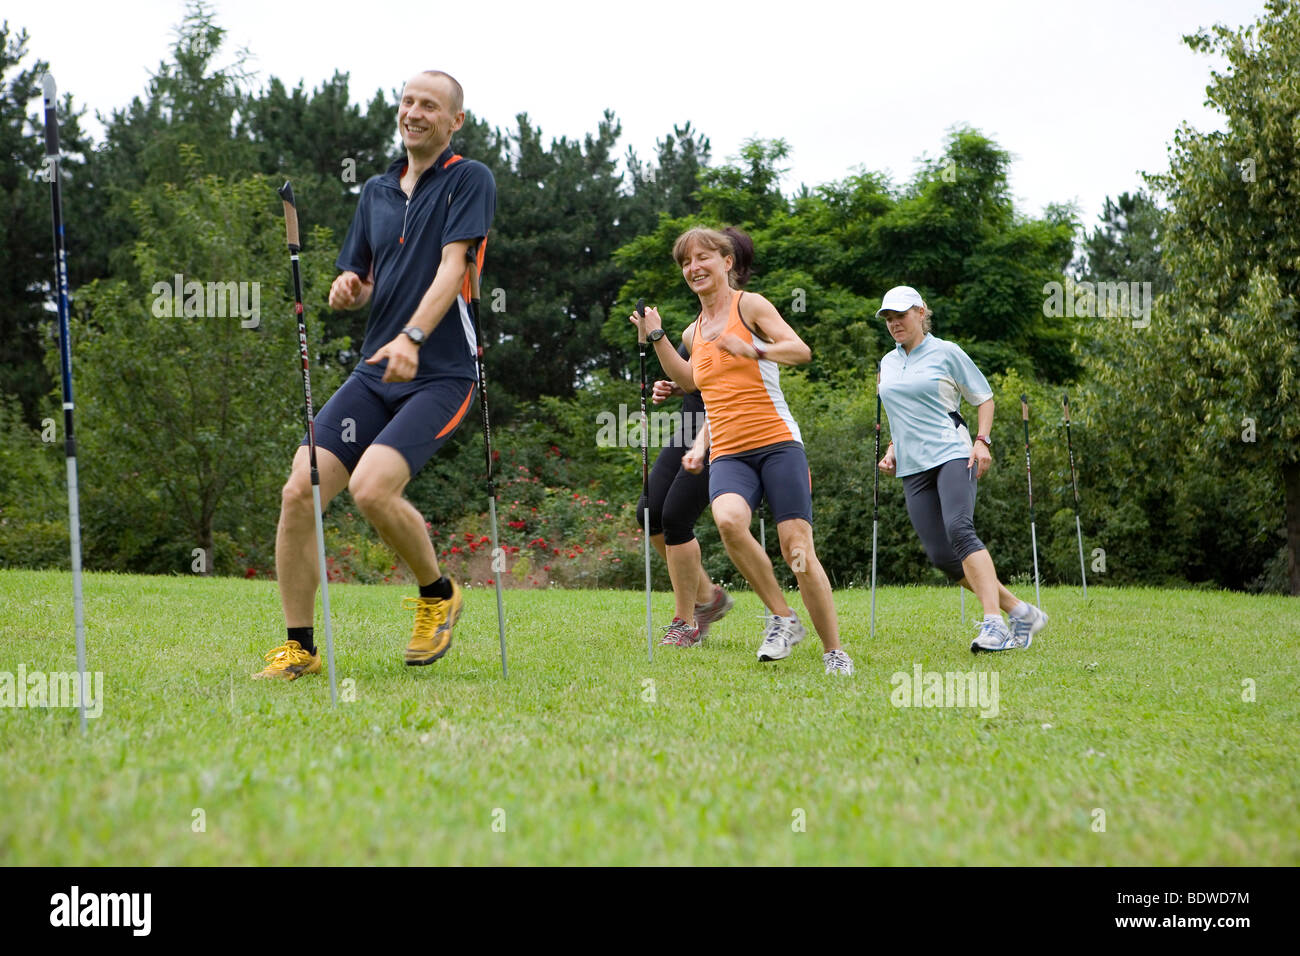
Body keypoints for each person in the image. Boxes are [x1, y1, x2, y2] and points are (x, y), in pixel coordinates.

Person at [254, 70, 495, 679]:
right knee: (297, 493)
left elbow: (451, 268)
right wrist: (349, 288)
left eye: (430, 106)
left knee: (371, 489)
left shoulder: (469, 179)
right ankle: (300, 648)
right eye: (408, 101)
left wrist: (413, 336)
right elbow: (362, 281)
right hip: (374, 371)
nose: (414, 112)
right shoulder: (376, 192)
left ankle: (437, 594)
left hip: (441, 373)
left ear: (454, 121)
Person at [632, 227, 854, 675]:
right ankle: (782, 617)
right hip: (729, 452)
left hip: (777, 444)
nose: (694, 268)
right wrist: (657, 337)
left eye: (703, 258)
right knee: (729, 521)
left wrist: (754, 348)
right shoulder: (693, 332)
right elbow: (693, 381)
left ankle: (834, 651)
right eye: (686, 263)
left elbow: (799, 350)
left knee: (796, 548)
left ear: (727, 262)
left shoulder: (748, 305)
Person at [874, 285, 1048, 652]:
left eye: (901, 315)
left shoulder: (946, 352)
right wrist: (892, 449)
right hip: (912, 466)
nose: (894, 324)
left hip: (953, 452)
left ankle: (994, 624)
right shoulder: (887, 363)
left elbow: (983, 397)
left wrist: (982, 441)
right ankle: (1021, 612)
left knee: (959, 529)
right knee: (943, 557)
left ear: (921, 312)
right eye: (888, 318)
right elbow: (899, 416)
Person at [637, 346, 732, 648]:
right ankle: (708, 597)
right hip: (688, 430)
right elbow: (693, 380)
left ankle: (686, 622)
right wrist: (673, 387)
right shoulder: (693, 332)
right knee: (648, 513)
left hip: (723, 433)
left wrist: (656, 334)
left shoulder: (738, 324)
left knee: (675, 518)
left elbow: (731, 385)